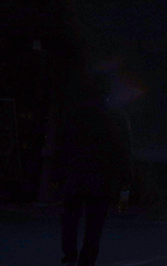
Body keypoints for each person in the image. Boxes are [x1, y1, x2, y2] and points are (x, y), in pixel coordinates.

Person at [54, 71, 132, 266]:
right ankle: (87, 260)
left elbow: (62, 144)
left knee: (70, 218)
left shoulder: (75, 112)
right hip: (102, 177)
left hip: (76, 174)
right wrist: (125, 177)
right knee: (95, 224)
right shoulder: (117, 115)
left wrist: (59, 172)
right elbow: (124, 149)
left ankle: (69, 255)